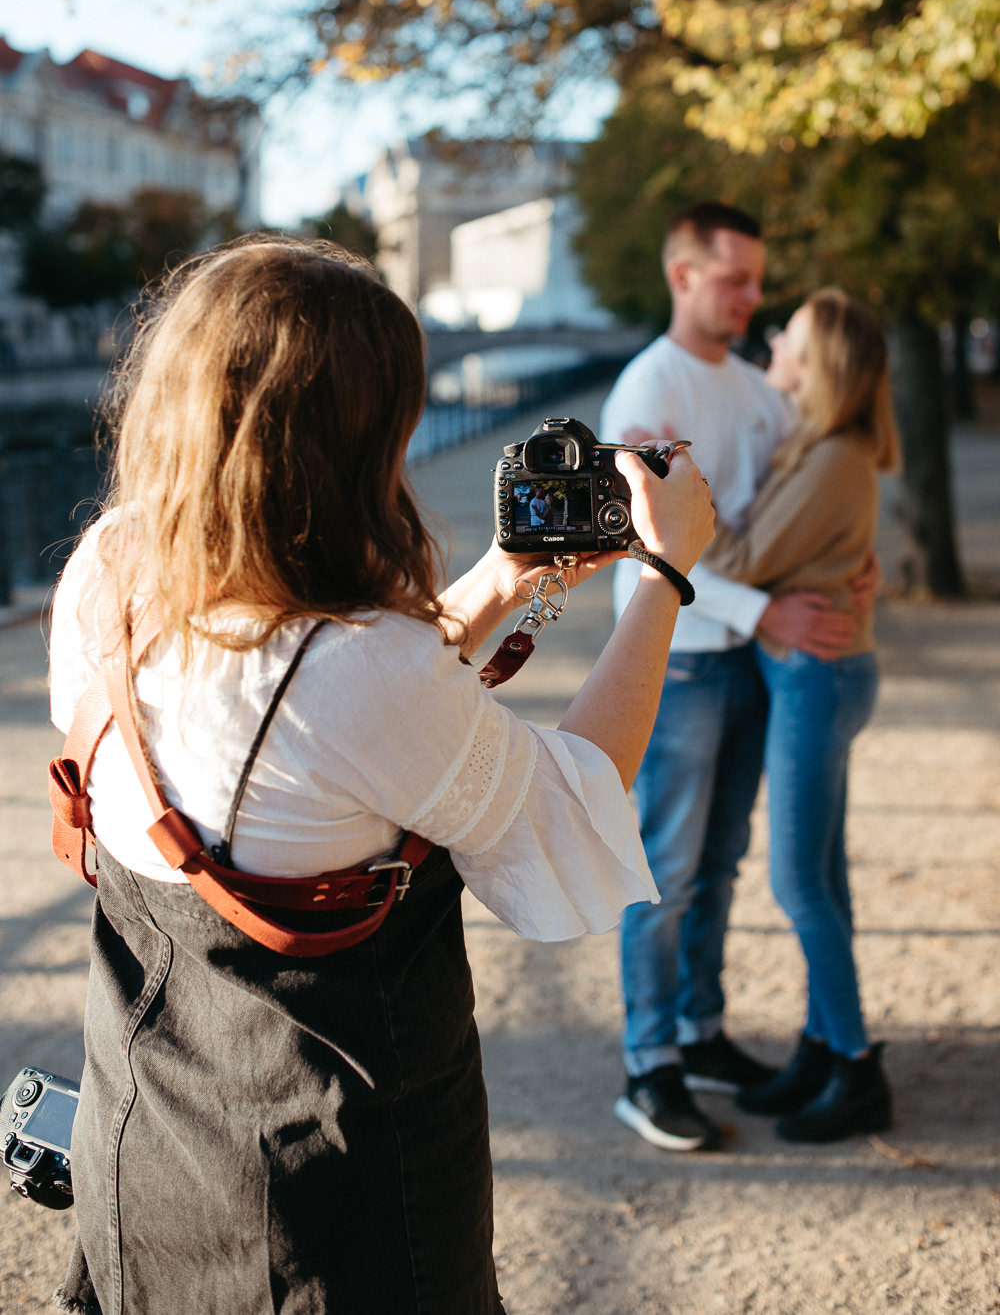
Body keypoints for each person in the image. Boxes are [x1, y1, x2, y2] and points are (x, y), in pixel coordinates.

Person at [48, 236, 715, 1315]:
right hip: (335, 1206)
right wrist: (663, 580)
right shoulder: (366, 672)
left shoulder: (109, 570)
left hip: (146, 1149)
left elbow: (314, 742)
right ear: (356, 440)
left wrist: (503, 581)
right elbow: (575, 808)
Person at [601, 203, 863, 1153]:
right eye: (735, 280)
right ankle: (649, 1064)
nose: (754, 296)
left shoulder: (760, 391)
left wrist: (854, 565)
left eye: (757, 279)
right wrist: (765, 612)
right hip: (679, 667)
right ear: (682, 277)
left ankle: (701, 1034)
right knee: (665, 869)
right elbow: (648, 544)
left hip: (754, 665)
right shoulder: (645, 389)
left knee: (718, 864)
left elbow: (803, 500)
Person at [700, 287, 898, 1142]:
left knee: (797, 882)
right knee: (826, 877)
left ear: (818, 367)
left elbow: (742, 557)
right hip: (815, 673)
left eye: (794, 336)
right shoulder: (818, 448)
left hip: (817, 678)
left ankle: (856, 1067)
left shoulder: (831, 460)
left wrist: (663, 502)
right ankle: (822, 1045)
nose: (774, 337)